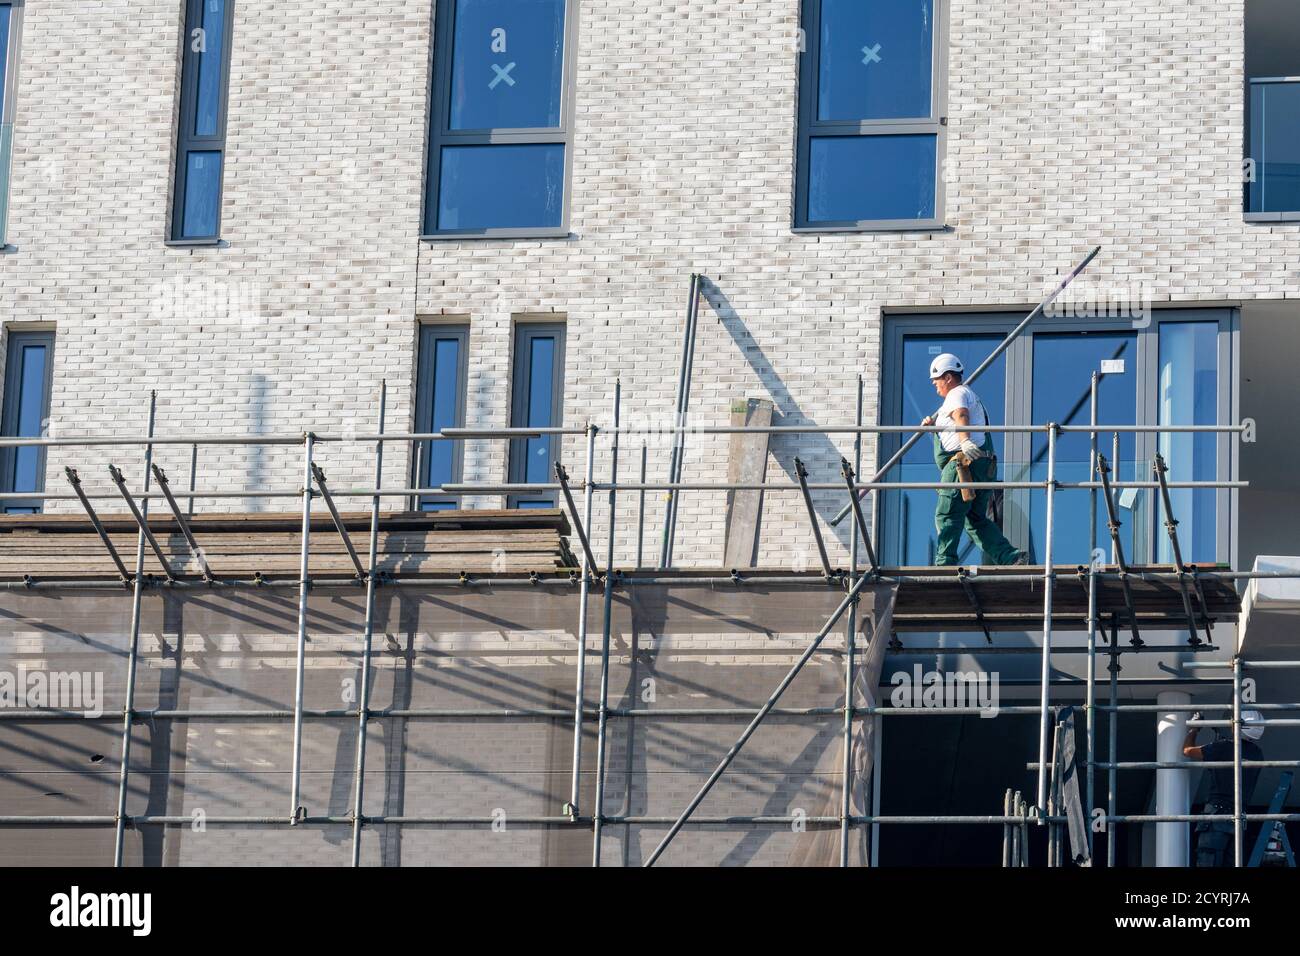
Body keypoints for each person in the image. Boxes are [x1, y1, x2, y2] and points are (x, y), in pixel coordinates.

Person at [920, 354, 1026, 566]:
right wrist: (934, 428)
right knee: (976, 520)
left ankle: (945, 564)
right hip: (983, 465)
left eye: (937, 378)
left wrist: (965, 440)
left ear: (949, 377)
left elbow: (961, 415)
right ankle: (1009, 557)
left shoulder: (956, 393)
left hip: (963, 465)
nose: (934, 383)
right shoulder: (964, 396)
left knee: (947, 514)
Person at [1184, 708, 1266, 867]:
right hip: (1238, 817)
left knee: (1208, 861)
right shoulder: (1257, 753)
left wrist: (1194, 729)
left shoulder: (1223, 747)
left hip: (1216, 815)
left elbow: (1187, 751)